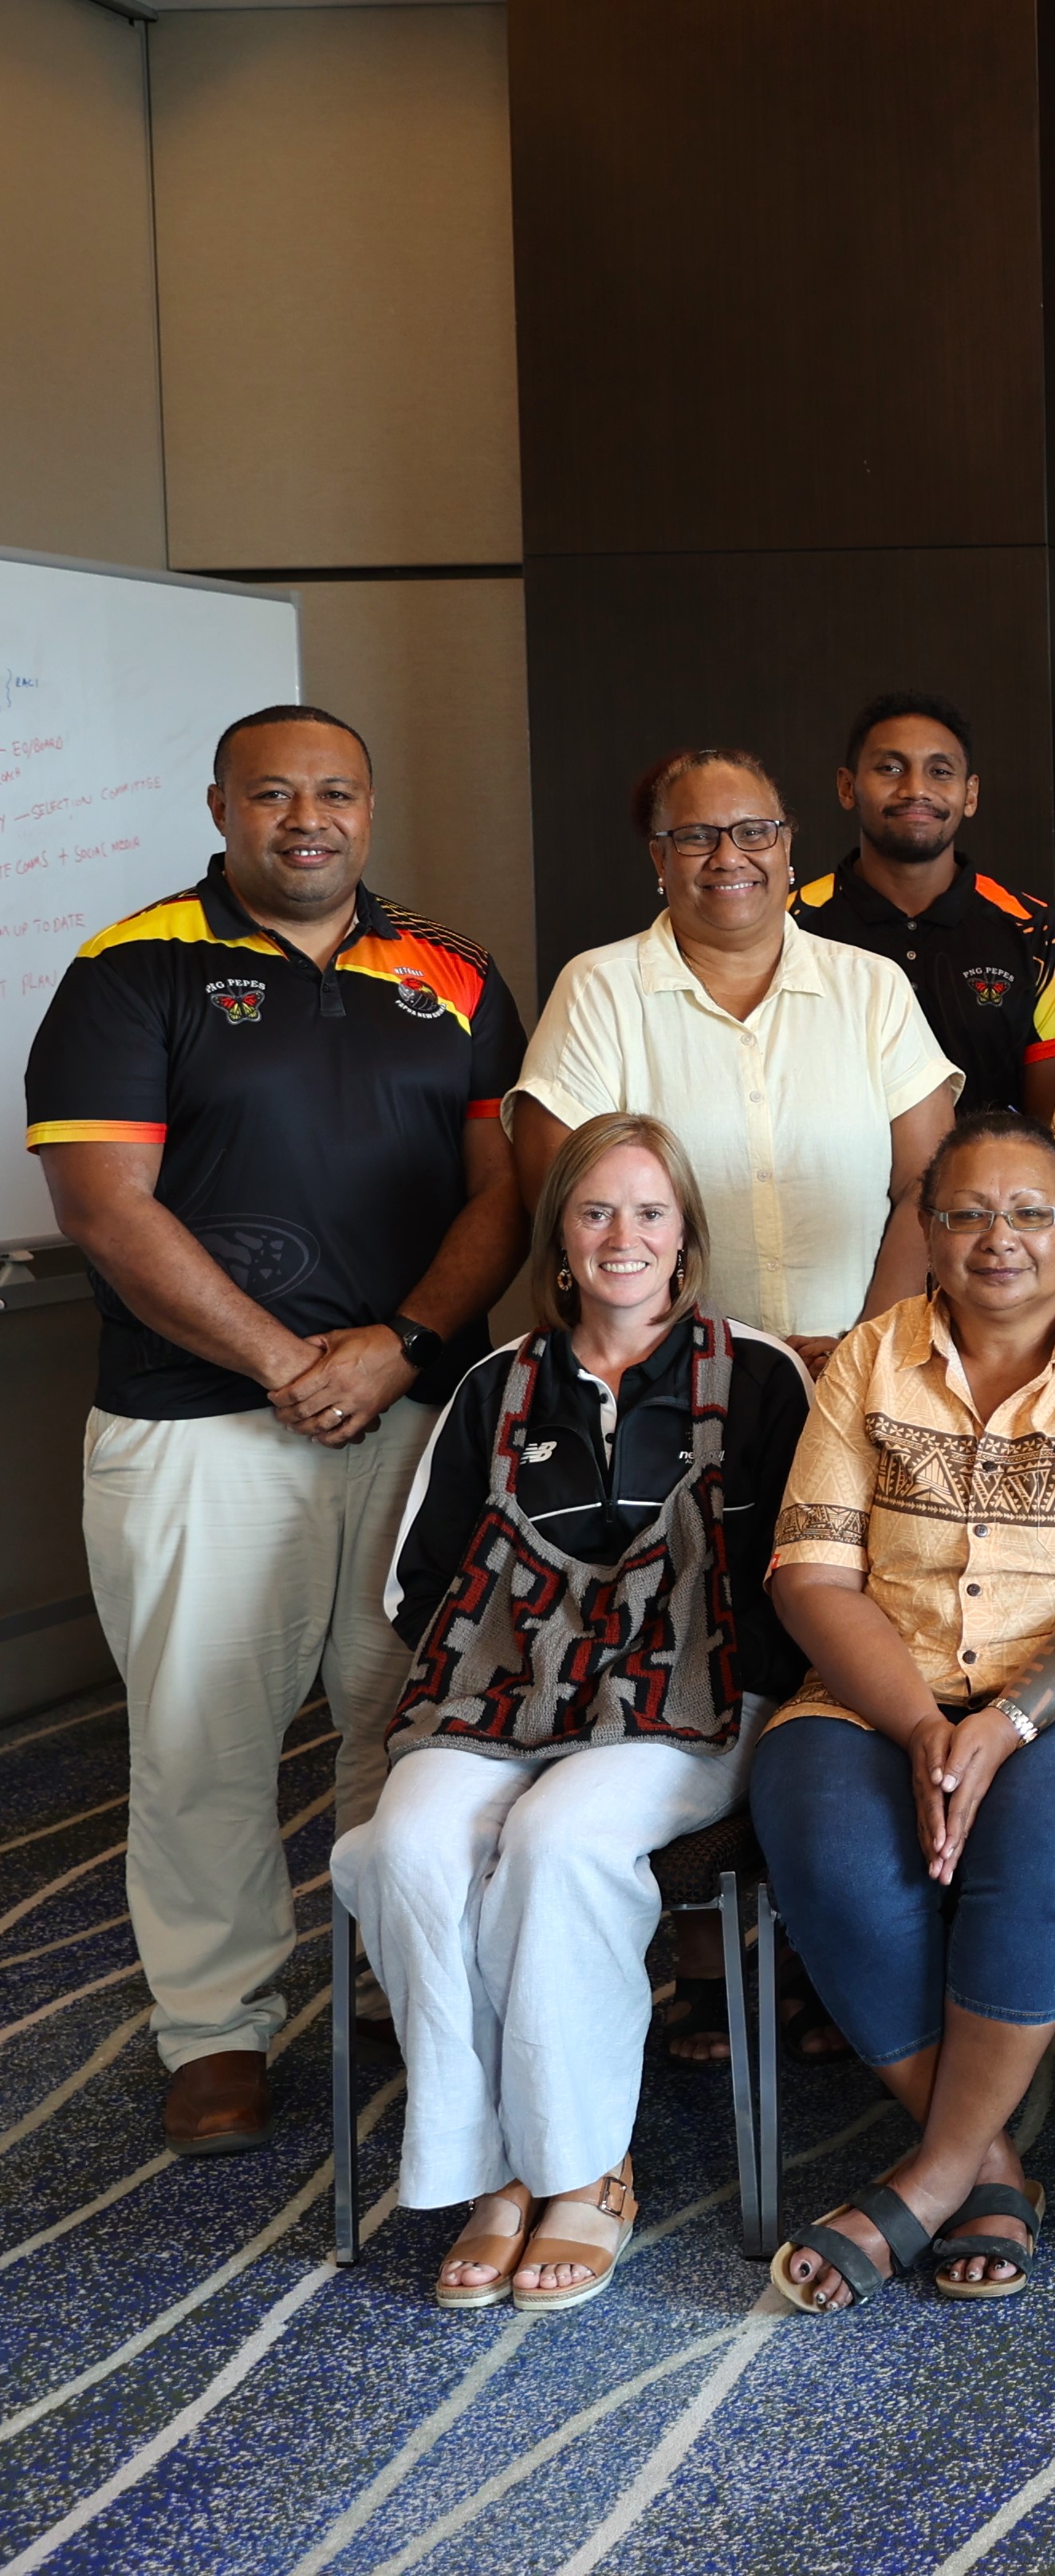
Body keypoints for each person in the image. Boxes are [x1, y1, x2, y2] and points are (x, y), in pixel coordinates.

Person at [29, 704, 527, 2156]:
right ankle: (216, 2029)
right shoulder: (129, 968)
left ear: (370, 807)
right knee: (204, 1739)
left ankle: (392, 1970)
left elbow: (504, 1188)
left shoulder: (454, 970)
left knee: (406, 1720)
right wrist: (284, 1363)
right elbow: (104, 1208)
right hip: (199, 1423)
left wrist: (403, 1344)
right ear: (220, 807)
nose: (307, 820)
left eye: (335, 793)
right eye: (272, 794)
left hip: (414, 1411)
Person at [333, 1112, 809, 2311]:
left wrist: (662, 1669)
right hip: (503, 1694)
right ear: (558, 1241)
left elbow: (803, 1571)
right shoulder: (497, 1384)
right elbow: (419, 1582)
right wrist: (538, 1664)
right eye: (595, 1212)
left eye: (649, 1212)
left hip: (689, 1701)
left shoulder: (758, 1375)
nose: (621, 1236)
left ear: (685, 1236)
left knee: (556, 1839)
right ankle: (490, 2165)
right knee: (404, 1843)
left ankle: (584, 2168)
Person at [755, 1110, 1055, 2310]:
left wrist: (1006, 1723)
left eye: (1028, 1213)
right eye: (965, 1214)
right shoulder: (866, 1362)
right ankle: (989, 2161)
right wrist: (921, 1728)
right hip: (878, 1687)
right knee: (824, 1838)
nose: (998, 1239)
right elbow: (812, 1578)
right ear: (925, 1229)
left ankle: (936, 2170)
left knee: (1038, 1844)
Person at [513, 748, 960, 1362]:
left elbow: (929, 1184)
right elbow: (561, 1198)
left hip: (853, 1371)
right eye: (697, 837)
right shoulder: (599, 989)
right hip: (660, 1372)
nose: (728, 856)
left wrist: (864, 1349)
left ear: (785, 845)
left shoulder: (871, 987)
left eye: (754, 832)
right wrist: (677, 1360)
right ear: (660, 858)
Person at [792, 693, 1055, 1116]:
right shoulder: (789, 927)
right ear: (847, 787)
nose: (916, 789)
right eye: (890, 768)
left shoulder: (1035, 932)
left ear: (970, 795)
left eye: (940, 771)